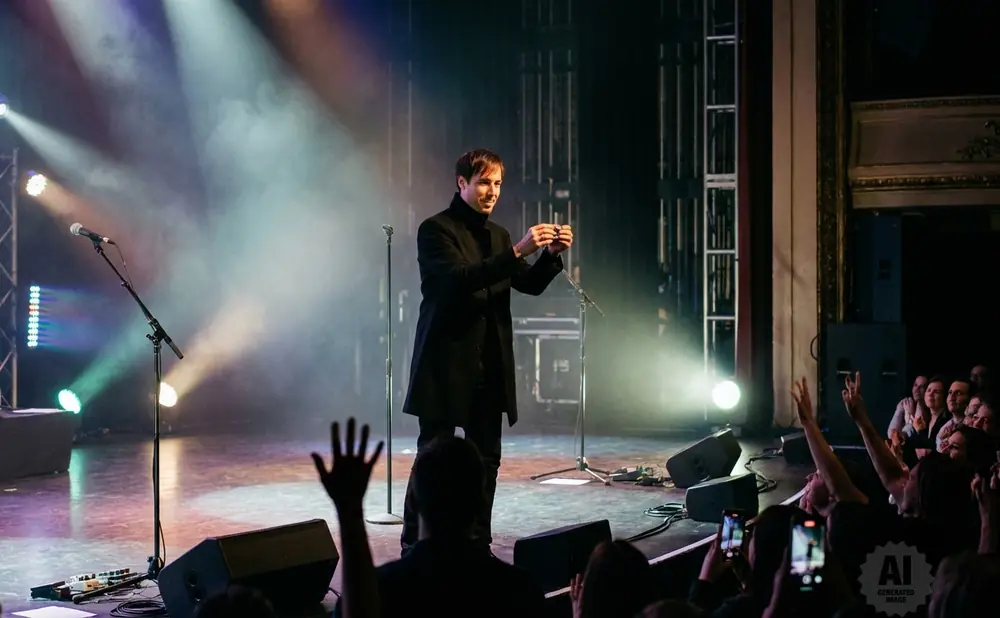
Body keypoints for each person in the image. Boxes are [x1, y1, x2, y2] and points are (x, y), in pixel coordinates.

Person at [400, 148, 572, 554]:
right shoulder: (435, 230)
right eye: (483, 182)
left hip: (488, 364)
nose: (491, 191)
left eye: (497, 183)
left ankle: (477, 542)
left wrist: (549, 256)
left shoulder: (497, 235)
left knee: (486, 461)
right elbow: (458, 281)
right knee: (432, 456)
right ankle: (415, 541)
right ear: (462, 183)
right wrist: (516, 252)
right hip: (445, 363)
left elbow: (526, 284)